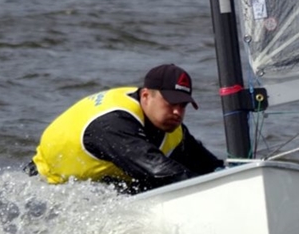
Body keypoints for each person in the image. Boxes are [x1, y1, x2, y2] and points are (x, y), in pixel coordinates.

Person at [26, 64, 223, 194]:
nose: (177, 112)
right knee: (161, 178)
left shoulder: (173, 129)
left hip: (100, 183)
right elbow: (157, 169)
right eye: (171, 103)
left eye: (183, 105)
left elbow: (209, 166)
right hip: (47, 189)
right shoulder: (113, 123)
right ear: (145, 96)